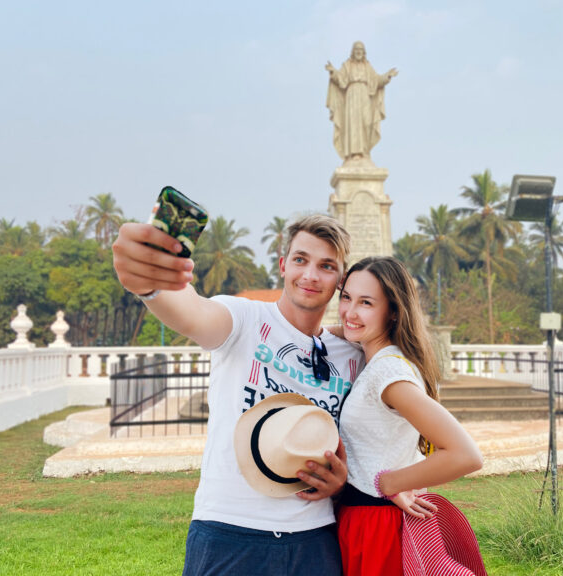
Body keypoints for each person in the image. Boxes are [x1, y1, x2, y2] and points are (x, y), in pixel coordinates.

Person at [112, 213, 365, 576]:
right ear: (283, 265)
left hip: (315, 539)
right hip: (229, 531)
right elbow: (192, 312)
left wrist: (341, 486)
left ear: (341, 280)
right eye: (300, 260)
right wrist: (150, 284)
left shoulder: (351, 355)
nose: (310, 275)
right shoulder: (244, 319)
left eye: (326, 266)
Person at [334, 256, 484, 575]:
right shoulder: (379, 359)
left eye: (366, 302)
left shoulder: (388, 374)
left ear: (393, 311)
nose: (350, 311)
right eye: (346, 297)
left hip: (376, 526)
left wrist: (389, 483)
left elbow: (465, 455)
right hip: (365, 519)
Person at [325, 41, 398, 162]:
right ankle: (354, 153)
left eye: (361, 49)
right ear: (353, 52)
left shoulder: (367, 67)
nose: (358, 51)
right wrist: (333, 72)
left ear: (364, 52)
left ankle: (365, 151)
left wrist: (387, 76)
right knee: (353, 123)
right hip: (351, 95)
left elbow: (377, 80)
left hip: (365, 95)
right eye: (356, 49)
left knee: (366, 122)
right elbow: (340, 78)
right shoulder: (347, 65)